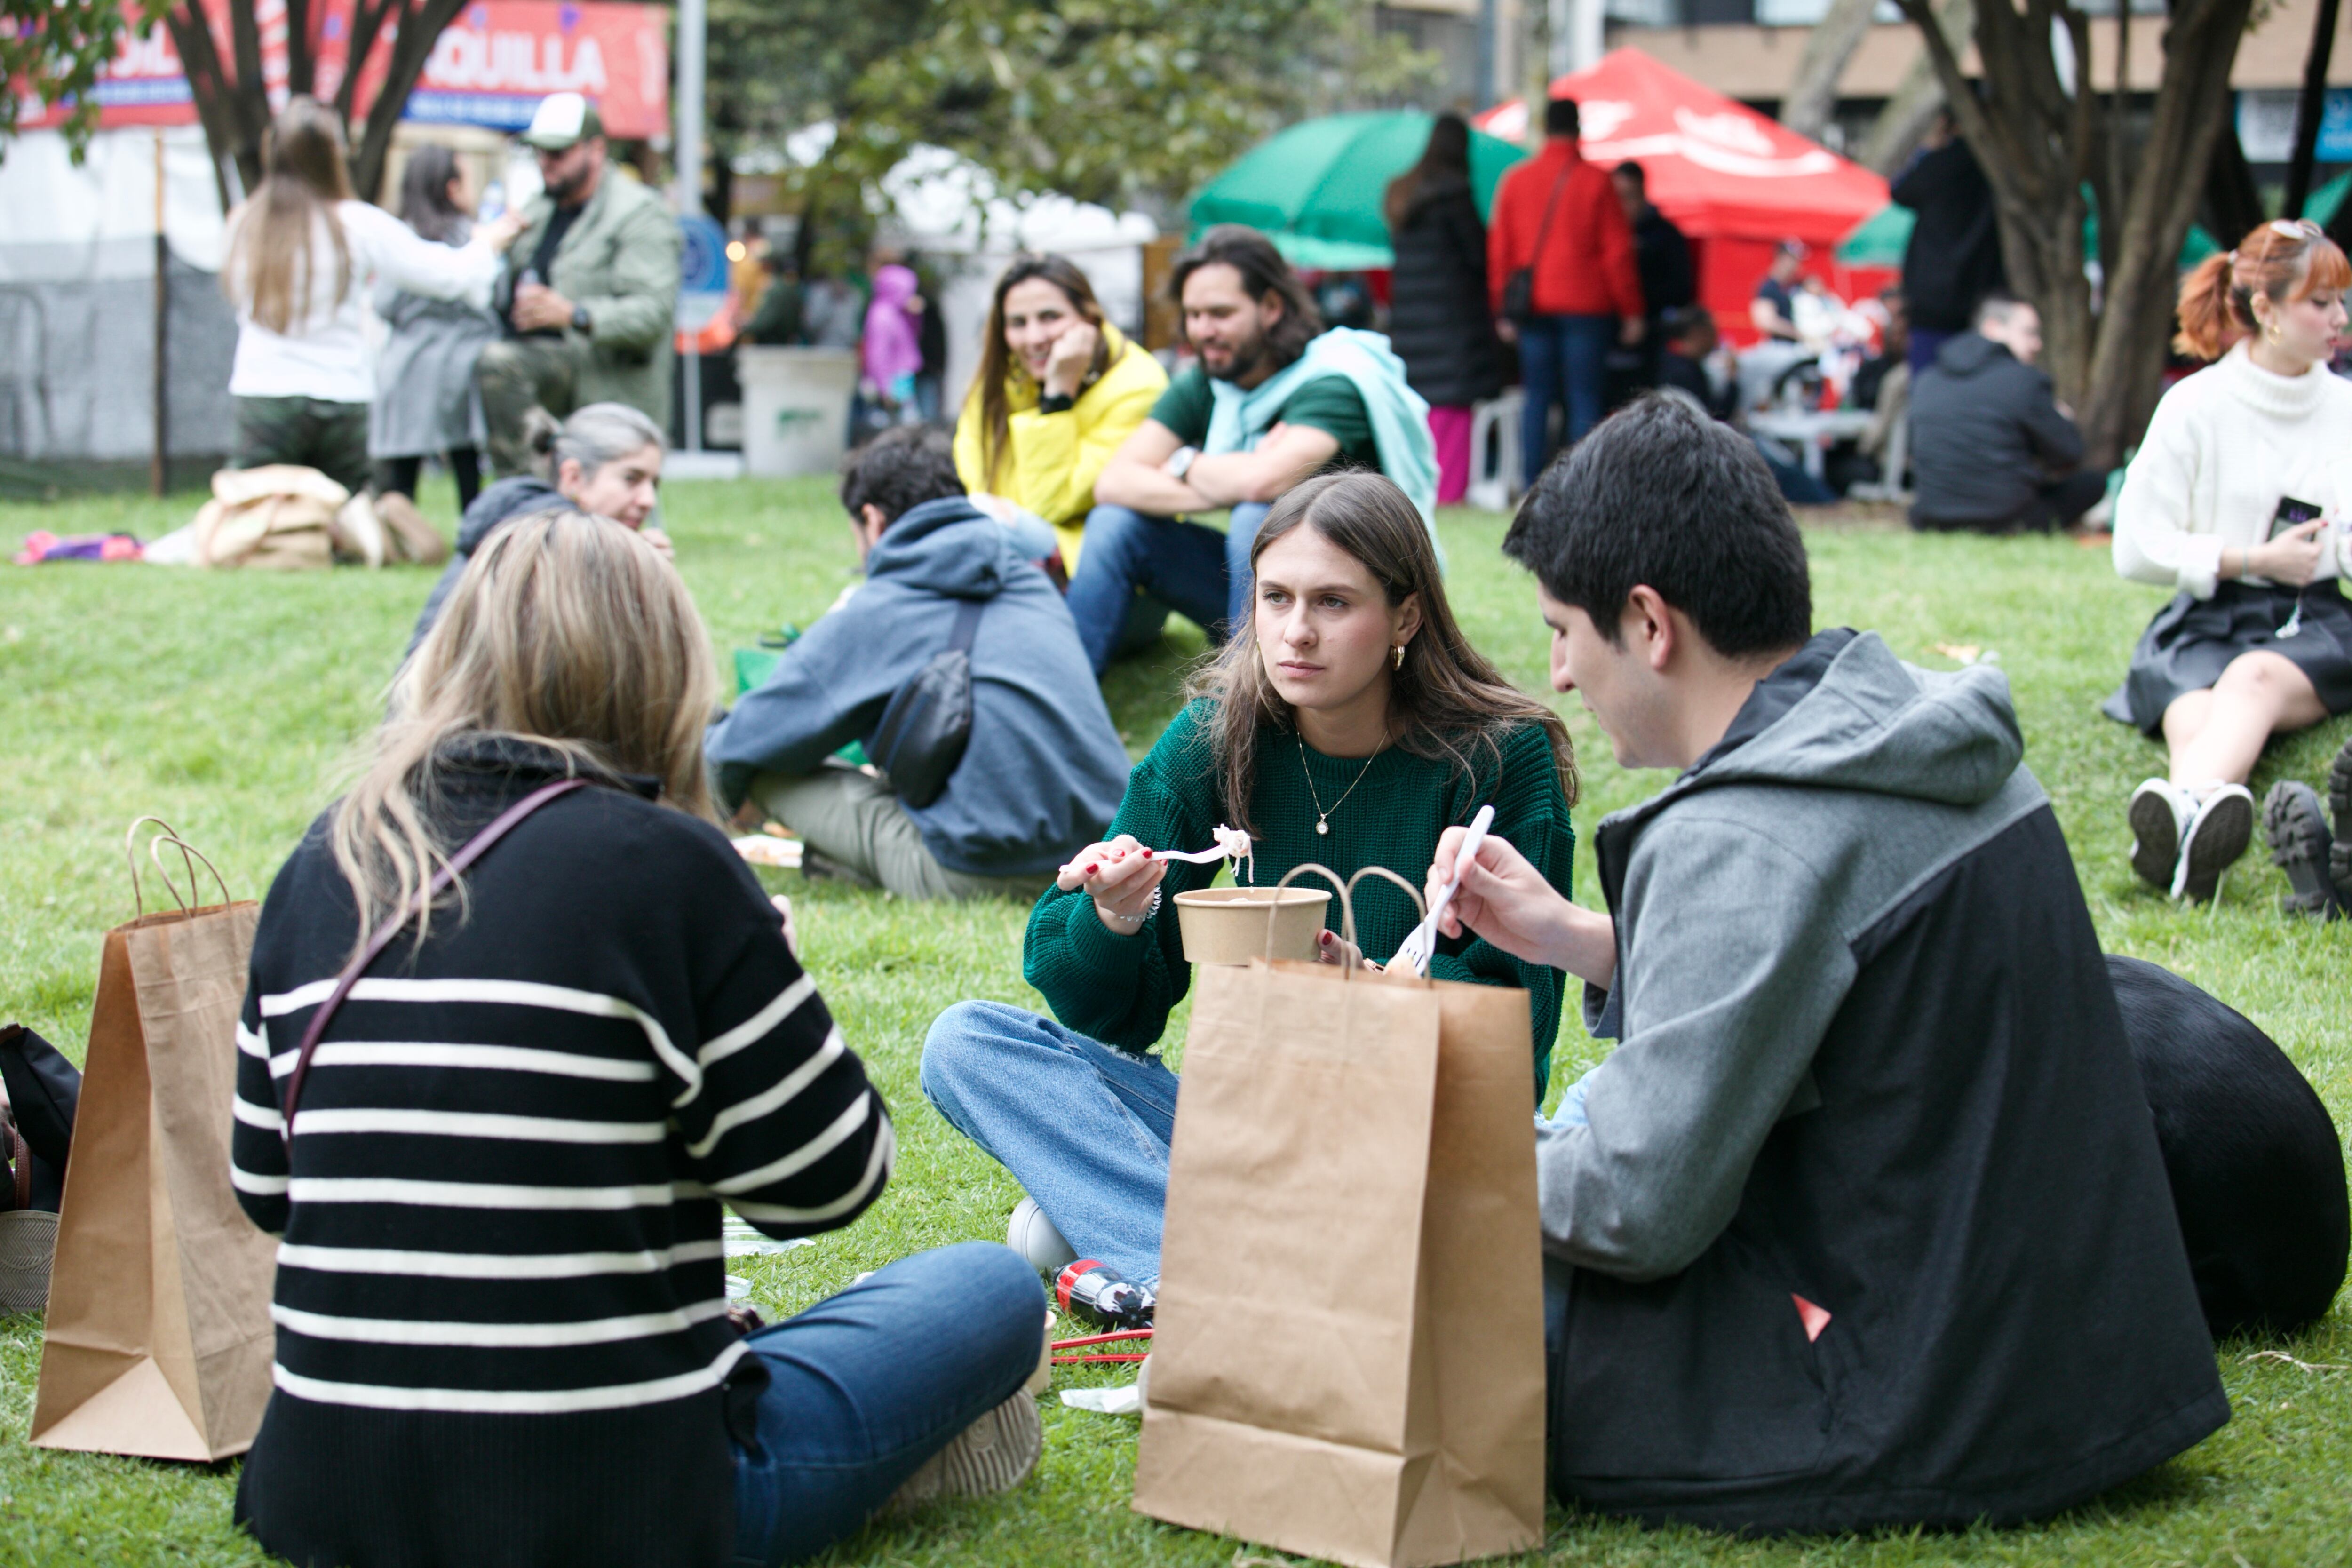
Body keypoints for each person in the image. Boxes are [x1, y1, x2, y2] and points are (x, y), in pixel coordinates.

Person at [1423, 395, 2226, 1534]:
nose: (1556, 673)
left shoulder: (1741, 837)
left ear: (1649, 623)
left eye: (1564, 630)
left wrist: (1422, 1133)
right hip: (2080, 1364)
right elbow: (1858, 999)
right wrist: (1578, 939)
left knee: (1433, 1265)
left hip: (1897, 1401)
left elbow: (1635, 1210)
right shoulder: (1923, 735)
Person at [230, 509, 1047, 1568]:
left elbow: (264, 1186)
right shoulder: (667, 866)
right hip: (615, 1509)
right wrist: (772, 968)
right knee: (987, 1286)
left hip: (325, 1499)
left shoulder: (324, 861)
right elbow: (827, 1184)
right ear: (659, 673)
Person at [921, 470, 1575, 1296]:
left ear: (1406, 615)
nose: (1297, 632)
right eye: (1276, 599)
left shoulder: (1497, 757)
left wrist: (1373, 993)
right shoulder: (1215, 736)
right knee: (965, 1042)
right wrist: (1115, 918)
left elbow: (1515, 1043)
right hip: (1255, 1128)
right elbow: (1108, 1014)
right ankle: (1230, 1261)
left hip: (1421, 1140)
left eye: (1334, 602)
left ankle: (1165, 1237)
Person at [707, 428, 1130, 901]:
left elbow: (745, 742)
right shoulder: (1032, 585)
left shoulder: (885, 605)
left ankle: (851, 861)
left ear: (871, 520)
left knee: (768, 770)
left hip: (982, 870)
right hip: (1105, 857)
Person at [2105, 218, 2352, 903]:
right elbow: (2137, 548)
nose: (2339, 319)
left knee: (2250, 680)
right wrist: (2249, 559)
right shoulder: (2194, 405)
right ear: (2266, 309)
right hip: (2209, 611)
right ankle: (2193, 840)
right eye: (2321, 302)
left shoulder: (2347, 408)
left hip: (2313, 617)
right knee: (2195, 708)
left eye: (2342, 301)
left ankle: (2176, 824)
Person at [1075, 226, 1438, 674]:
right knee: (1116, 522)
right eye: (1193, 315)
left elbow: (1266, 481)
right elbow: (1114, 482)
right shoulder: (1208, 381)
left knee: (1256, 514)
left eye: (1220, 313)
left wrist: (1184, 463)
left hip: (1349, 597)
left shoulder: (1332, 379)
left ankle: (1247, 689)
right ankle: (1061, 695)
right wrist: (1230, 478)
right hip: (1267, 594)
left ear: (1271, 307)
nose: (1202, 331)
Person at [222, 97, 520, 535]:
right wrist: (489, 242)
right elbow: (444, 275)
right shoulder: (356, 224)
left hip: (263, 391)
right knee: (343, 522)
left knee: (256, 518)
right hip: (340, 394)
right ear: (333, 157)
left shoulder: (244, 223)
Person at [477, 92, 682, 477]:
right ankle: (522, 495)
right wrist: (491, 245)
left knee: (500, 365)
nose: (546, 164)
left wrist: (574, 314)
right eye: (540, 153)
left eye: (559, 153)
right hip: (544, 368)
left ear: (596, 149)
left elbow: (651, 314)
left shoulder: (639, 213)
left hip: (605, 377)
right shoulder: (539, 209)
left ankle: (536, 494)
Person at [952, 254, 1169, 573]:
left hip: (1095, 570)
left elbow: (1049, 504)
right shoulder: (999, 381)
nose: (1035, 338)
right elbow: (974, 484)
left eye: (1050, 317)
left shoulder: (1138, 386)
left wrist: (1056, 397)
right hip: (1002, 543)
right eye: (1018, 323)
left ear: (1089, 318)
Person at [409, 402, 669, 652]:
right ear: (574, 478)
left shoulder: (525, 516)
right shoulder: (545, 541)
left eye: (653, 484)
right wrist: (633, 577)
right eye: (631, 479)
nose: (649, 500)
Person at [1486, 96, 1644, 484]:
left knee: (1537, 397)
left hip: (1533, 305)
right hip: (1587, 307)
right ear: (1578, 130)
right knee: (1584, 398)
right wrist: (1632, 311)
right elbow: (1616, 254)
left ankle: (1530, 484)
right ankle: (1582, 487)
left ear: (1544, 129)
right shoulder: (1597, 182)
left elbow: (1500, 251)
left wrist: (1501, 309)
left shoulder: (1517, 180)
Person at [369, 143, 500, 561]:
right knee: (465, 455)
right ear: (451, 186)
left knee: (401, 457)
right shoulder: (472, 237)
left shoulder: (398, 238)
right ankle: (475, 534)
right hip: (465, 359)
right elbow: (494, 293)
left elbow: (384, 303)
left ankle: (393, 535)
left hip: (408, 360)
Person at [1384, 112, 1509, 507]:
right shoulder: (1455, 196)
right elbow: (1479, 257)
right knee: (1453, 415)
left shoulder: (1402, 196)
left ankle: (1417, 493)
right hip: (1453, 326)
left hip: (1411, 324)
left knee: (1423, 415)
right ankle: (1447, 496)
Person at [1908, 292, 2105, 533]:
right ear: (1993, 328)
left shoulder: (1929, 379)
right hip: (2005, 518)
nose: (2037, 344)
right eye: (2029, 333)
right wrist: (2063, 420)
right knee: (2093, 482)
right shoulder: (2024, 381)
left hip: (1932, 516)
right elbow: (2069, 454)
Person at [1892, 109, 2006, 376]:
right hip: (1982, 291)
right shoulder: (1995, 166)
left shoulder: (1938, 163)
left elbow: (1900, 190)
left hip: (1932, 296)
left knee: (1927, 382)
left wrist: (1929, 147)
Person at [1610, 159, 1693, 398]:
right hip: (1605, 338)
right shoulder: (1601, 235)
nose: (1622, 206)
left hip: (1652, 342)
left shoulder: (1665, 236)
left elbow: (1681, 289)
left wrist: (1642, 308)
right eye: (1616, 197)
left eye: (1629, 197)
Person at [861, 263, 926, 430]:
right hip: (892, 381)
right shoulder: (882, 315)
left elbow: (913, 336)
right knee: (899, 430)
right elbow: (877, 353)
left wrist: (914, 315)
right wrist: (885, 387)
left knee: (908, 427)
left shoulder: (898, 312)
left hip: (903, 378)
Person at [1750, 241, 1804, 342]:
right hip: (1779, 344)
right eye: (1792, 259)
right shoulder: (1769, 288)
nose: (1796, 264)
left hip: (1804, 346)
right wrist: (1799, 333)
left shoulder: (1800, 286)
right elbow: (1765, 322)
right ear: (1780, 258)